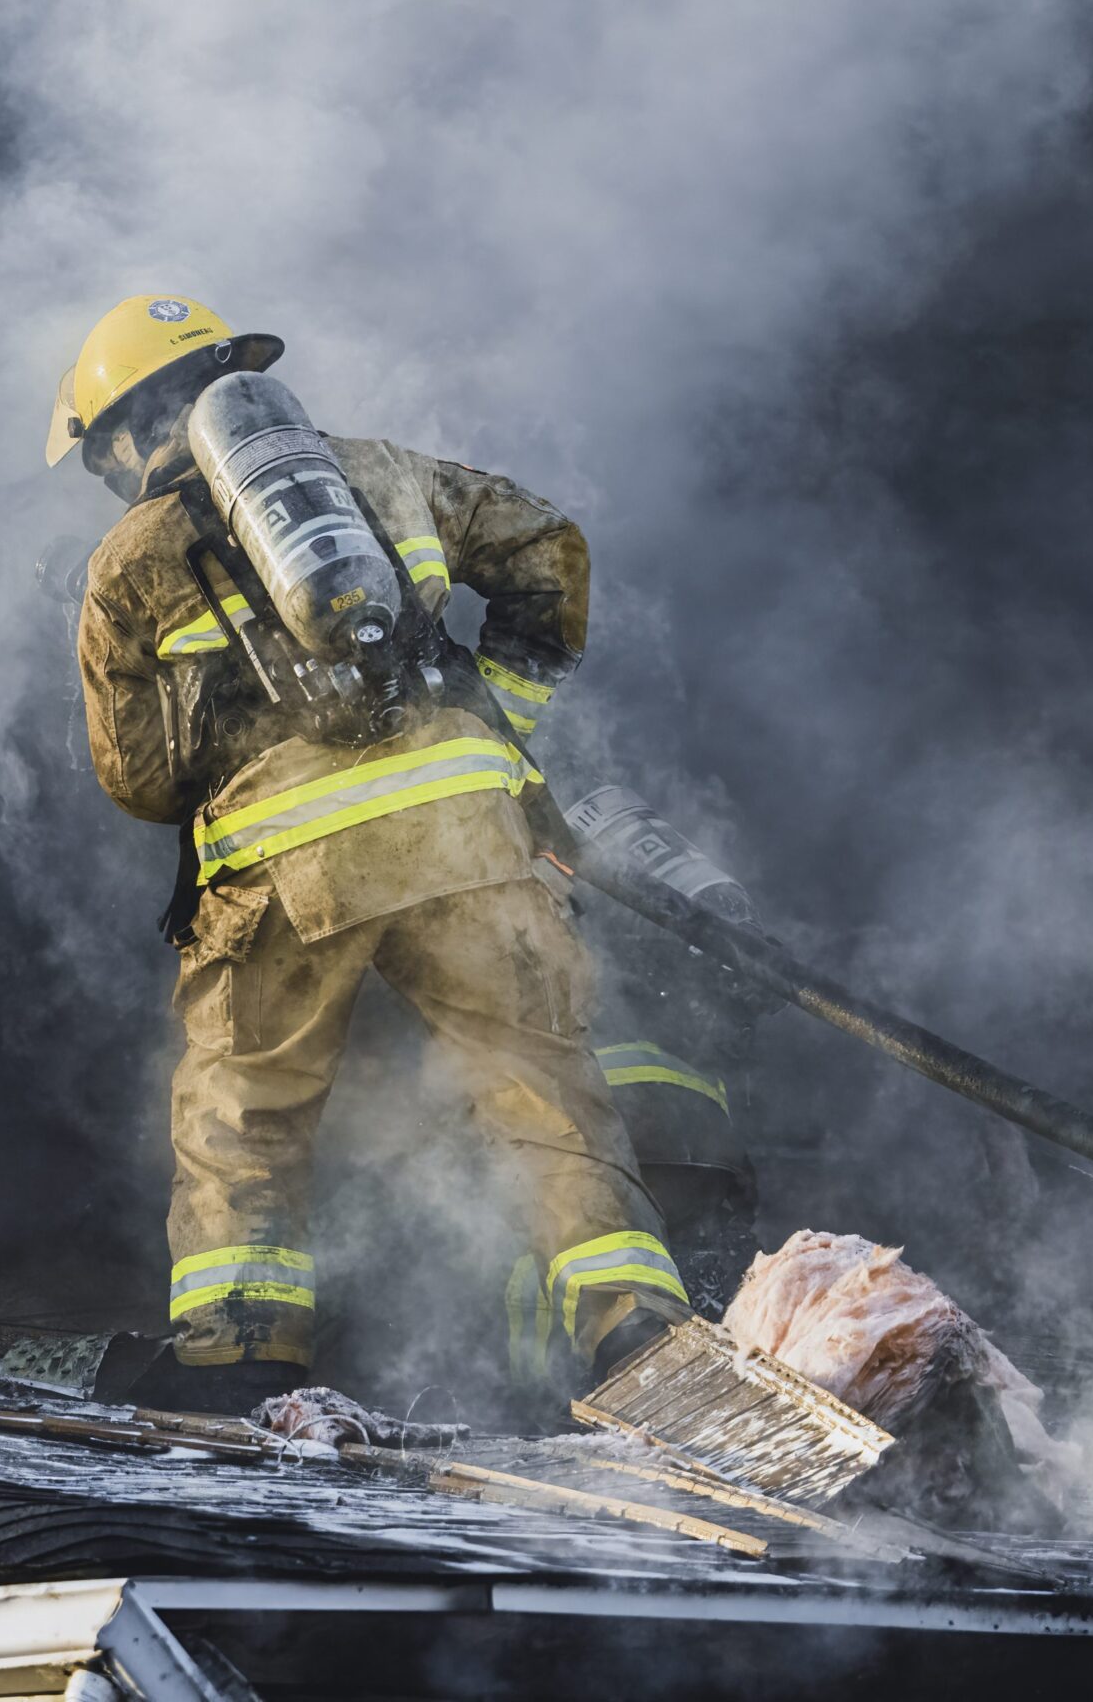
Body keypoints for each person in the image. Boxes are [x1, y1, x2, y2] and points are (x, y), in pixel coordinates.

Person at [48, 294, 692, 1412]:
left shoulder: (128, 560)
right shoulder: (383, 473)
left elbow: (137, 780)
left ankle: (240, 1359)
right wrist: (501, 719)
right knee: (543, 1091)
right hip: (466, 844)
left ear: (121, 434)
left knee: (243, 1112)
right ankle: (635, 1337)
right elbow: (553, 551)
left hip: (283, 886)